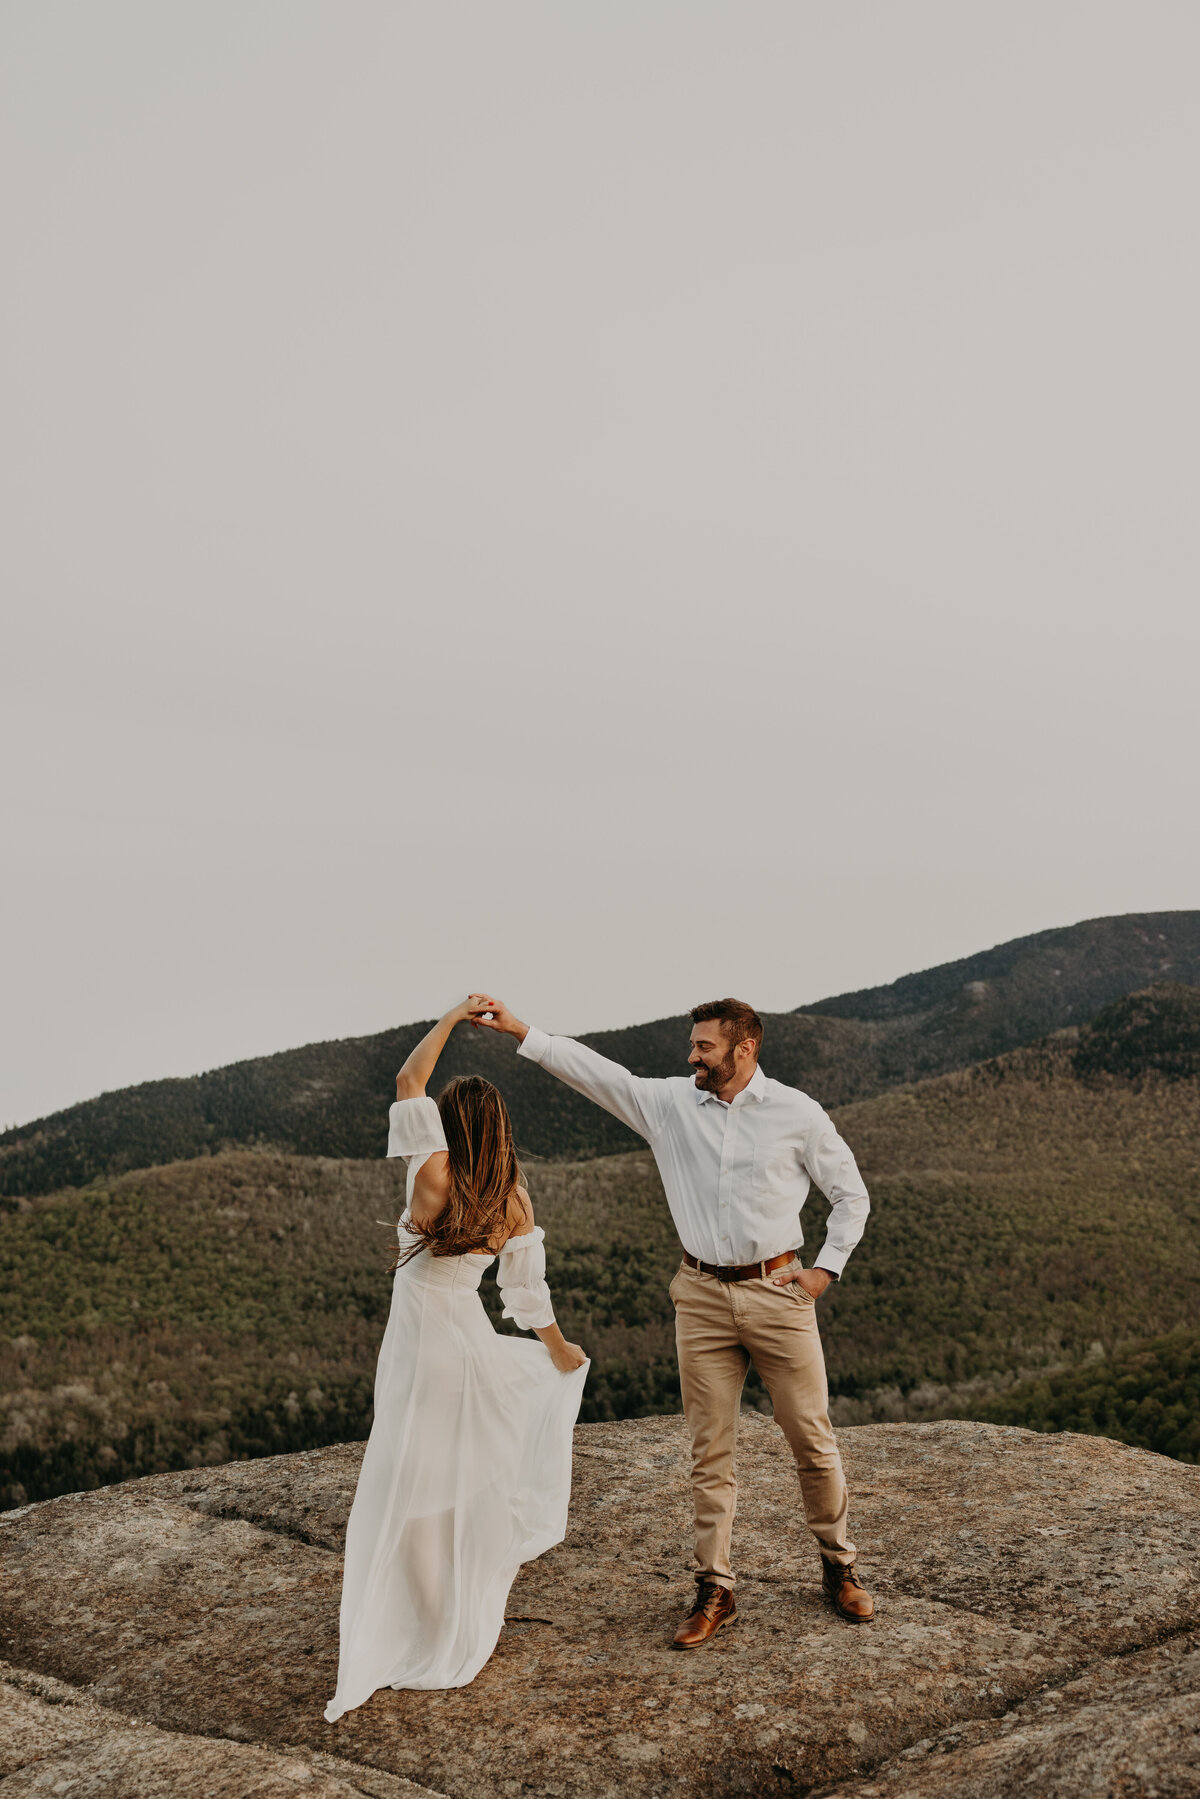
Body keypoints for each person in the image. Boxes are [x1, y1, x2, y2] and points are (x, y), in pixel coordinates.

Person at [474, 994, 874, 1645]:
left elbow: (852, 1194)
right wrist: (523, 1030)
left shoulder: (796, 1113)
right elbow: (597, 1074)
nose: (691, 1055)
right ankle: (716, 1586)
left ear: (745, 1049)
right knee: (709, 1451)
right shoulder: (669, 1105)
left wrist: (825, 1268)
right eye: (693, 1044)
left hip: (778, 1293)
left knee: (812, 1439)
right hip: (700, 1296)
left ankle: (840, 1566)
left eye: (704, 1046)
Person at [324, 996, 588, 1721]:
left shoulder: (432, 1173)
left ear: (452, 1125)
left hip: (416, 1352)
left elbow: (409, 1080)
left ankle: (436, 1626)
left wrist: (447, 1017)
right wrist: (561, 1352)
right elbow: (527, 1297)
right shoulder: (512, 1202)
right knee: (456, 1482)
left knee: (409, 1488)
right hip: (468, 1348)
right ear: (500, 1131)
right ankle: (455, 1617)